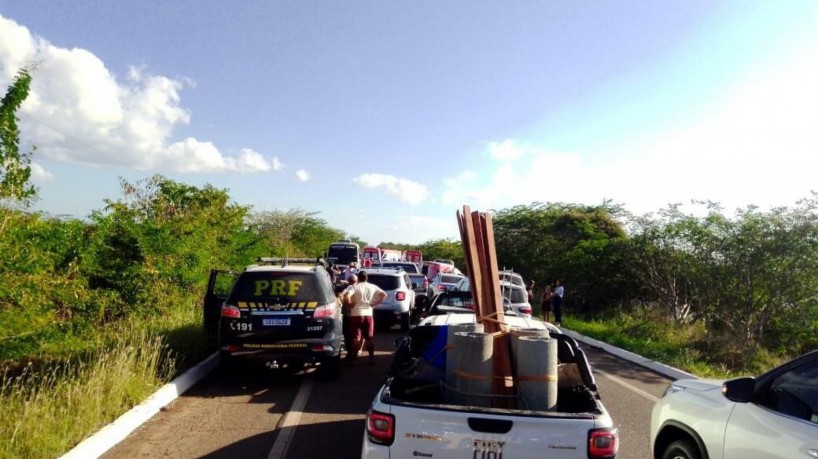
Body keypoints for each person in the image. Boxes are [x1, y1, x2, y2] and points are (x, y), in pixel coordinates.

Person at [341, 270, 387, 365]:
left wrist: (350, 305)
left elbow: (346, 297)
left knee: (356, 337)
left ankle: (354, 359)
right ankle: (371, 358)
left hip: (356, 314)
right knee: (369, 338)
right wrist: (374, 303)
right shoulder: (372, 286)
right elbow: (383, 294)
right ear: (367, 278)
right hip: (368, 314)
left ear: (358, 278)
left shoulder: (355, 287)